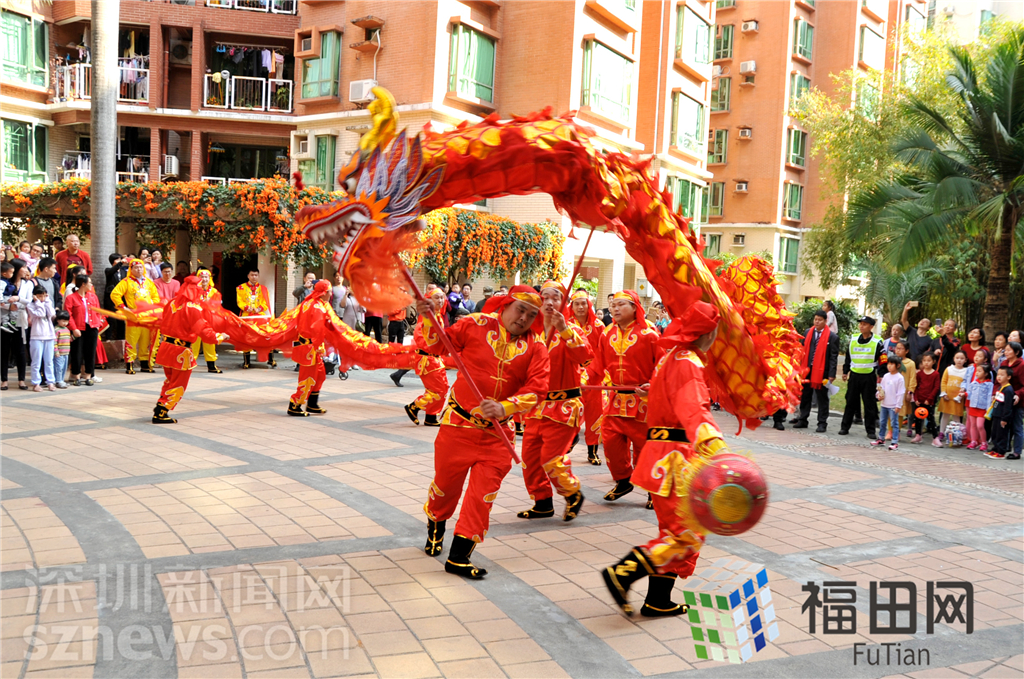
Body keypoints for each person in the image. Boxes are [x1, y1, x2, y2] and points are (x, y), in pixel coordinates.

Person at [601, 299, 726, 618]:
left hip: (663, 457)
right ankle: (623, 573)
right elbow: (694, 409)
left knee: (676, 530)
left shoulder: (672, 356)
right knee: (686, 534)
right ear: (709, 334)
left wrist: (651, 392)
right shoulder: (688, 362)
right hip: (677, 459)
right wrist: (718, 449)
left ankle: (658, 600)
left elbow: (666, 398)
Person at [418, 286, 549, 579]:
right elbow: (437, 346)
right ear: (505, 306)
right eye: (520, 310)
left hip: (497, 436)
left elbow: (538, 388)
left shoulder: (536, 346)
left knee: (482, 496)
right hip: (458, 427)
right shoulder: (474, 324)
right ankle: (436, 524)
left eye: (531, 315)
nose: (524, 318)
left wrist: (506, 407)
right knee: (446, 488)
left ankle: (459, 557)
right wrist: (428, 318)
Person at [516, 281, 591, 522]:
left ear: (564, 303)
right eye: (544, 297)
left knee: (551, 458)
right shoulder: (531, 333)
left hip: (563, 406)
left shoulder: (572, 330)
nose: (549, 302)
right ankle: (542, 503)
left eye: (555, 298)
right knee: (530, 459)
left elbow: (585, 357)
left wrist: (564, 330)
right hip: (536, 407)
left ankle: (572, 492)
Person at [589, 290, 663, 502]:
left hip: (642, 401)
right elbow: (598, 363)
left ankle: (652, 491)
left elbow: (662, 363)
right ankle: (623, 481)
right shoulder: (607, 333)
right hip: (616, 399)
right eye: (613, 305)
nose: (615, 308)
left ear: (634, 307)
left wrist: (653, 385)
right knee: (610, 442)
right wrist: (582, 381)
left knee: (645, 448)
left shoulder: (650, 333)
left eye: (621, 304)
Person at [151, 276, 220, 424]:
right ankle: (162, 411)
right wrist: (219, 337)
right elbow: (202, 330)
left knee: (170, 380)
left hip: (166, 346)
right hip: (181, 351)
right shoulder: (193, 308)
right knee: (178, 383)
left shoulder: (171, 303)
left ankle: (160, 406)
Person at [287, 280, 335, 417]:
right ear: (324, 293)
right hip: (310, 348)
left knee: (320, 375)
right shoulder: (317, 307)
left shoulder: (310, 302)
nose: (331, 294)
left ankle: (312, 404)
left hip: (310, 346)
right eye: (329, 292)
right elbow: (317, 330)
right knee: (307, 377)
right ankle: (294, 405)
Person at [404, 287, 450, 426]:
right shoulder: (427, 317)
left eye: (442, 297)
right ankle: (415, 406)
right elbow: (420, 337)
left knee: (438, 389)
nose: (440, 300)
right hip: (429, 359)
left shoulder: (437, 316)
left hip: (434, 358)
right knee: (440, 389)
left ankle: (431, 416)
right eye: (437, 298)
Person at [571, 289, 605, 465]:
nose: (580, 307)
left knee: (594, 414)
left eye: (583, 303)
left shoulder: (599, 326)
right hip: (571, 376)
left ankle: (592, 451)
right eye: (576, 304)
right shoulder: (566, 325)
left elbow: (603, 351)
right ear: (571, 306)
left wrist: (591, 372)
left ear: (589, 305)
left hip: (594, 377)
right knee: (571, 411)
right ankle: (570, 440)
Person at [111, 257, 161, 374]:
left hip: (147, 316)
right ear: (131, 269)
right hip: (133, 315)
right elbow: (115, 294)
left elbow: (155, 296)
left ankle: (145, 364)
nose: (139, 269)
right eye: (136, 267)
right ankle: (130, 364)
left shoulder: (149, 282)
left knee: (145, 339)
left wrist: (153, 306)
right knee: (132, 339)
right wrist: (124, 307)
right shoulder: (126, 282)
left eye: (140, 267)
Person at [793, 310, 839, 432]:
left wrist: (831, 374)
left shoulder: (832, 337)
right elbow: (802, 350)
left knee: (822, 398)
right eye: (815, 319)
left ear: (825, 321)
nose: (817, 322)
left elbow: (833, 357)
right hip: (807, 369)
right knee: (805, 395)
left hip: (822, 371)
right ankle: (803, 419)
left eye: (820, 320)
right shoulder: (808, 332)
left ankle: (822, 423)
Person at [839, 316, 883, 439]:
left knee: (869, 404)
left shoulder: (877, 341)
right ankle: (844, 427)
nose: (861, 326)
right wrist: (845, 371)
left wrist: (881, 375)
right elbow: (848, 357)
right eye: (861, 324)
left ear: (871, 327)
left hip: (869, 376)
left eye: (865, 324)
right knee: (850, 402)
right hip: (854, 375)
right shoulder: (853, 339)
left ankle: (870, 430)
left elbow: (883, 360)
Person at [64, 274, 102, 387]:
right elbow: (69, 314)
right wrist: (73, 328)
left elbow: (98, 311)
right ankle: (76, 376)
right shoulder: (71, 298)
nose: (91, 285)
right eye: (90, 282)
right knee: (77, 352)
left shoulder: (93, 297)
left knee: (90, 352)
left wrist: (97, 324)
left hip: (92, 327)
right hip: (78, 328)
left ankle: (88, 376)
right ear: (83, 284)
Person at [1, 260, 32, 390]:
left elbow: (29, 301)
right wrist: (8, 307)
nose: (26, 270)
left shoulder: (28, 284)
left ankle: (21, 380)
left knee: (20, 350)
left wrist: (18, 299)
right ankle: (4, 380)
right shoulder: (4, 282)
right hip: (5, 319)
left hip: (21, 319)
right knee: (4, 349)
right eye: (24, 267)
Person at [236, 268, 276, 369]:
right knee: (246, 337)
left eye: (256, 275)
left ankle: (271, 359)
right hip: (246, 315)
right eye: (252, 275)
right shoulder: (240, 288)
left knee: (266, 335)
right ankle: (246, 361)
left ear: (258, 276)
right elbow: (239, 302)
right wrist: (247, 308)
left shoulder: (263, 289)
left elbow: (265, 303)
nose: (254, 277)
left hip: (260, 315)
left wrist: (259, 309)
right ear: (248, 276)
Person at [191, 268, 223, 373]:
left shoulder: (214, 292)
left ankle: (211, 365)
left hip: (209, 321)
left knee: (210, 342)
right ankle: (189, 364)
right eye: (202, 277)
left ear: (210, 279)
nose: (204, 279)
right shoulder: (193, 290)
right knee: (194, 342)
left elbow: (218, 305)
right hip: (196, 320)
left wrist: (210, 304)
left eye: (206, 277)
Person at [26, 284, 56, 392]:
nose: (42, 298)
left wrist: (47, 301)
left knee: (49, 361)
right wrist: (38, 302)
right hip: (37, 336)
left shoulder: (47, 302)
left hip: (49, 335)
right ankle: (36, 383)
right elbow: (41, 314)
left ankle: (50, 382)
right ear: (34, 296)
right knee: (36, 361)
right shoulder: (30, 305)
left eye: (43, 296)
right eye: (39, 296)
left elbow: (51, 313)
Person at [872, 356, 906, 450]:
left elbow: (900, 392)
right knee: (882, 422)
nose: (889, 366)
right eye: (888, 364)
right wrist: (878, 395)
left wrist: (898, 405)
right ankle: (881, 438)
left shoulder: (899, 378)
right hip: (884, 404)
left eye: (892, 364)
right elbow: (881, 388)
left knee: (894, 423)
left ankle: (894, 441)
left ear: (898, 365)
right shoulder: (886, 376)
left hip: (893, 405)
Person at [936, 349, 968, 443]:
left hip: (957, 398)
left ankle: (956, 435)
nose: (959, 360)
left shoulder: (966, 371)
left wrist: (961, 395)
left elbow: (966, 384)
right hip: (947, 397)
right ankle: (941, 432)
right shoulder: (949, 369)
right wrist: (944, 393)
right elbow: (944, 381)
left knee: (956, 416)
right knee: (945, 415)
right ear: (954, 359)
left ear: (965, 360)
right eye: (957, 358)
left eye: (962, 358)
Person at [961, 362, 993, 451]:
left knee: (980, 425)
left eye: (979, 371)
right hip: (973, 406)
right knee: (973, 425)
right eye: (977, 371)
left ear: (986, 374)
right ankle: (973, 441)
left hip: (982, 408)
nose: (977, 373)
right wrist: (965, 394)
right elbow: (970, 392)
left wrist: (988, 409)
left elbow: (989, 396)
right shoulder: (974, 383)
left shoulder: (989, 384)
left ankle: (984, 442)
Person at [986, 367, 1016, 459]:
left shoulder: (1008, 390)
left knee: (1001, 434)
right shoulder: (1000, 387)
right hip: (996, 414)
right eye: (998, 374)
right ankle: (995, 449)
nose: (999, 377)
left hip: (1002, 416)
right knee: (995, 433)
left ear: (1009, 377)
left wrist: (1005, 418)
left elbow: (1008, 406)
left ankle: (1001, 451)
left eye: (1002, 375)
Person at [1000, 341, 1023, 459]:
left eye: (1009, 350)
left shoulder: (1021, 365)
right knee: (1005, 424)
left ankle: (1017, 452)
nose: (1006, 352)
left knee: (1017, 426)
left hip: (1017, 400)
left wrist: (1018, 394)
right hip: (1004, 399)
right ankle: (1004, 447)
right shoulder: (1004, 363)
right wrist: (995, 393)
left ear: (1017, 352)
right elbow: (998, 379)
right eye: (1006, 350)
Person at [912, 352, 940, 445]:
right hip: (919, 400)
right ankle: (918, 435)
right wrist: (916, 398)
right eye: (924, 361)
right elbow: (916, 386)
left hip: (929, 401)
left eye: (929, 361)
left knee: (931, 419)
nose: (926, 363)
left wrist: (930, 399)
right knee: (918, 418)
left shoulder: (936, 374)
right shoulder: (920, 374)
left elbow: (936, 387)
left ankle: (935, 437)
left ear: (933, 362)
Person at [894, 341, 917, 440]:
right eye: (897, 348)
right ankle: (890, 431)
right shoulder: (893, 360)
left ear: (906, 351)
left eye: (901, 348)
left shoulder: (910, 363)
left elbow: (912, 378)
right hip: (892, 389)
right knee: (890, 410)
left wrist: (910, 391)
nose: (898, 350)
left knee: (899, 411)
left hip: (903, 390)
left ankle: (897, 431)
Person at [53, 310, 72, 389]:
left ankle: (62, 380)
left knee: (64, 367)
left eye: (66, 321)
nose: (65, 323)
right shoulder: (56, 330)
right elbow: (54, 342)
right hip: (59, 353)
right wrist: (56, 351)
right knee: (58, 367)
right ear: (58, 320)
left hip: (66, 352)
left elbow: (69, 339)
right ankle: (58, 380)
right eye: (63, 321)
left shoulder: (67, 329)